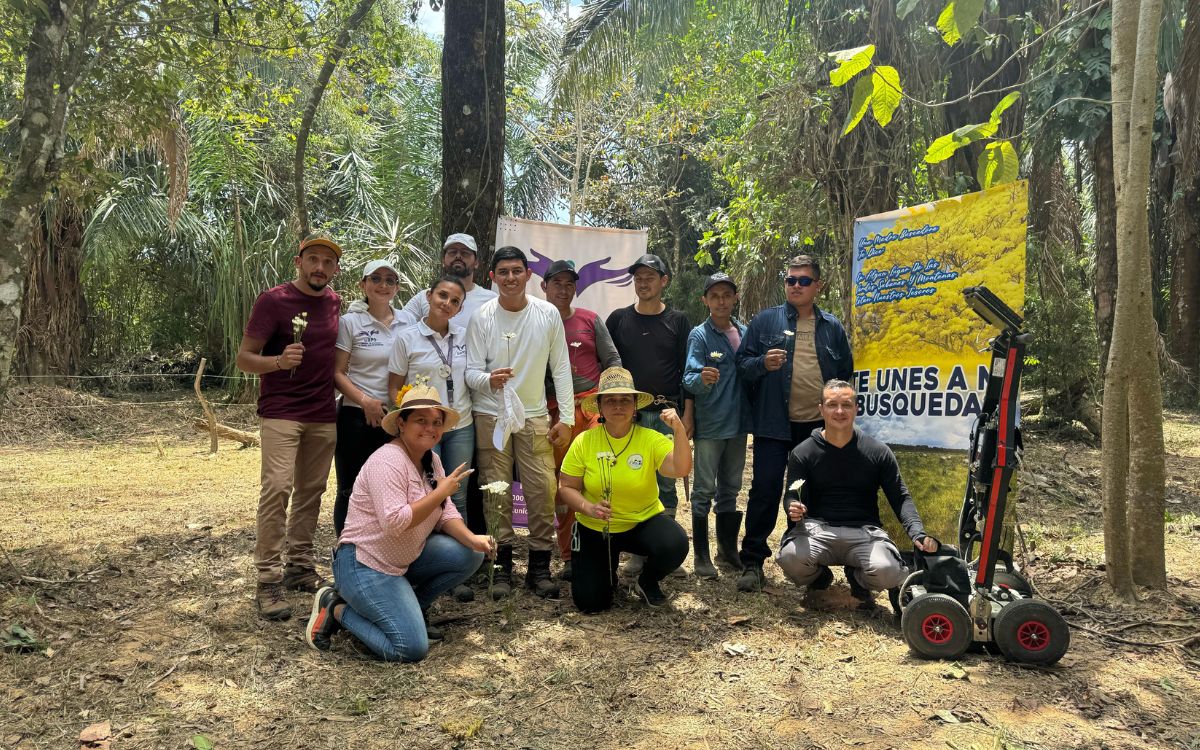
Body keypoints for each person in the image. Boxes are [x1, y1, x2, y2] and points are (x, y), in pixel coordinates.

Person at [304, 385, 491, 661]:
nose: (430, 428)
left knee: (470, 552)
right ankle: (336, 608)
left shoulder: (432, 460)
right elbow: (395, 521)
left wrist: (474, 539)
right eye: (421, 420)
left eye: (436, 422)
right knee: (409, 648)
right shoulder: (388, 461)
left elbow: (445, 512)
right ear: (401, 424)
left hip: (401, 561)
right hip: (364, 564)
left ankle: (411, 609)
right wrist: (441, 491)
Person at [236, 237, 342, 620]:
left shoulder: (334, 303)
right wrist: (279, 361)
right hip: (282, 410)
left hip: (322, 411)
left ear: (335, 269)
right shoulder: (273, 300)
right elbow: (244, 359)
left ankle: (299, 565)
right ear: (299, 262)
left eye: (327, 262)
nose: (319, 267)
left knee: (312, 490)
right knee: (278, 488)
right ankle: (267, 578)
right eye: (312, 259)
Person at [735, 254, 853, 593]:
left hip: (816, 428)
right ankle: (753, 562)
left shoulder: (831, 327)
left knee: (806, 495)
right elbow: (742, 365)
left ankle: (804, 562)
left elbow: (844, 376)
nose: (796, 286)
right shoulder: (765, 322)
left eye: (803, 280)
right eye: (790, 280)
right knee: (766, 489)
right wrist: (762, 363)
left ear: (818, 286)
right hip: (774, 424)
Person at [464, 246, 574, 599]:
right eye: (503, 272)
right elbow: (470, 372)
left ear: (529, 276)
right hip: (490, 414)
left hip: (534, 416)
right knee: (495, 490)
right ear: (492, 277)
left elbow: (560, 368)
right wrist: (489, 380)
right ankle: (501, 568)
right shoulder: (481, 316)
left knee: (542, 490)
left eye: (517, 271)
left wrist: (568, 418)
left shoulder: (547, 314)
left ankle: (539, 568)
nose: (510, 278)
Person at [775, 380, 938, 611]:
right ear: (821, 409)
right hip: (817, 529)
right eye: (832, 405)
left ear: (856, 409)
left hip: (865, 532)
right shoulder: (803, 452)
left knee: (889, 572)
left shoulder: (878, 451)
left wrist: (917, 533)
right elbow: (791, 495)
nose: (839, 411)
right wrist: (792, 506)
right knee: (790, 558)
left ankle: (858, 579)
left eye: (846, 404)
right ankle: (819, 579)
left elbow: (900, 496)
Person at [557, 367, 691, 612]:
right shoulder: (584, 442)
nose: (618, 405)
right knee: (591, 604)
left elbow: (681, 468)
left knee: (675, 543)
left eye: (624, 400)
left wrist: (679, 430)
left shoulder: (650, 438)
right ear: (600, 407)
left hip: (641, 523)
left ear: (635, 406)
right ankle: (605, 576)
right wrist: (588, 507)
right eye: (610, 400)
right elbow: (566, 487)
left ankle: (647, 581)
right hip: (596, 527)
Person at [388, 275, 475, 601]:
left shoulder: (466, 337)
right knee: (423, 497)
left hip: (460, 424)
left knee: (458, 496)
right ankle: (420, 564)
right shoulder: (407, 337)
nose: (447, 304)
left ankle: (458, 570)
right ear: (428, 295)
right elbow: (395, 386)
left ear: (460, 307)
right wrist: (407, 424)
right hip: (424, 429)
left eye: (455, 301)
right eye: (442, 296)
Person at [605, 253, 693, 577]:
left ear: (664, 281)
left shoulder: (679, 321)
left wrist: (687, 415)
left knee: (666, 483)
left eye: (650, 277)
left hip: (667, 413)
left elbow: (687, 371)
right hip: (630, 415)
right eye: (638, 278)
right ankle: (635, 552)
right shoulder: (617, 319)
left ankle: (664, 551)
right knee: (633, 480)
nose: (643, 283)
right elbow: (610, 368)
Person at [540, 259, 623, 583]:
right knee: (564, 488)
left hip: (590, 409)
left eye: (568, 283)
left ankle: (604, 550)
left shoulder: (590, 320)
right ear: (544, 287)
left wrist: (607, 396)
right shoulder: (536, 321)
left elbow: (612, 359)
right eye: (556, 283)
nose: (563, 289)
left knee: (599, 475)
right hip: (554, 413)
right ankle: (568, 555)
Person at [332, 259, 413, 537]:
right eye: (376, 279)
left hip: (396, 418)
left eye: (390, 280)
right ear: (363, 284)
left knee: (392, 488)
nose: (383, 285)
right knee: (350, 489)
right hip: (356, 416)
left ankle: (384, 553)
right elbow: (337, 372)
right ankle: (347, 555)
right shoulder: (350, 322)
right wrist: (365, 400)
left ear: (397, 288)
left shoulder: (408, 321)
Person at [682, 272, 751, 579]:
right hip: (711, 425)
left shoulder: (744, 331)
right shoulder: (700, 335)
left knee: (731, 489)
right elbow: (688, 379)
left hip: (738, 425)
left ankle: (727, 551)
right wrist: (702, 379)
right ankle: (701, 557)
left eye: (726, 295)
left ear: (735, 298)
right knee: (703, 491)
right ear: (705, 301)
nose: (721, 301)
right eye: (715, 296)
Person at [400, 233, 498, 326]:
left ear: (476, 263)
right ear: (443, 261)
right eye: (452, 252)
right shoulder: (424, 297)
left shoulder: (491, 301)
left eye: (465, 253)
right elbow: (399, 326)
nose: (458, 256)